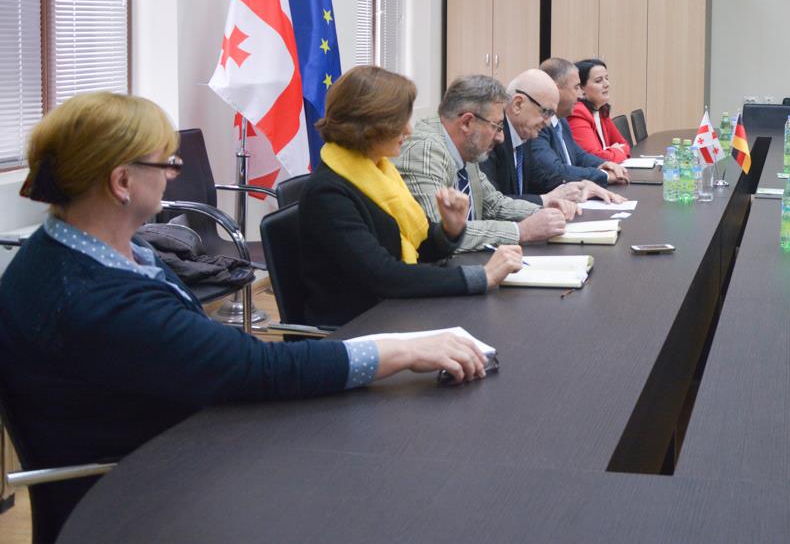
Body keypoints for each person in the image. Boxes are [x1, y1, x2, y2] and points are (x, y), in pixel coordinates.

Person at [0, 91, 496, 538]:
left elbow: (206, 353)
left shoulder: (89, 249)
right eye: (167, 163)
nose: (173, 174)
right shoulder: (94, 297)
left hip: (191, 440)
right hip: (148, 494)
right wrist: (403, 350)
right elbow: (254, 367)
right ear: (122, 181)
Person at [298, 66, 523, 325]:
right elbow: (384, 275)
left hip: (394, 309)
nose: (408, 130)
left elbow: (423, 246)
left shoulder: (381, 172)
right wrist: (482, 276)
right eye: (400, 121)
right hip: (357, 325)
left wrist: (450, 230)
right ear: (370, 124)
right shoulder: (329, 193)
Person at [395, 74, 579, 252]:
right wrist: (521, 231)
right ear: (467, 122)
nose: (501, 138)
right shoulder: (426, 150)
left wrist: (542, 210)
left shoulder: (467, 149)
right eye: (496, 126)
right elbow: (443, 232)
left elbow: (493, 204)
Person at [482, 68, 626, 204]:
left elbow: (542, 177)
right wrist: (546, 200)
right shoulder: (491, 138)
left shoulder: (524, 133)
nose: (548, 123)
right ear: (517, 105)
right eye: (546, 112)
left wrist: (582, 186)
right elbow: (492, 205)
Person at [532, 57, 631, 186]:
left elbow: (579, 155)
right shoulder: (538, 125)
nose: (580, 95)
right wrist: (604, 175)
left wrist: (603, 164)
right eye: (576, 87)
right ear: (555, 90)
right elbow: (555, 170)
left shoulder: (561, 121)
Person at [569, 58, 632, 163]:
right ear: (581, 87)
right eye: (598, 81)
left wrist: (608, 151)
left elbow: (624, 144)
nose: (607, 84)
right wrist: (615, 150)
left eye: (606, 78)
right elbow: (594, 158)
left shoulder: (601, 110)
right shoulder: (578, 113)